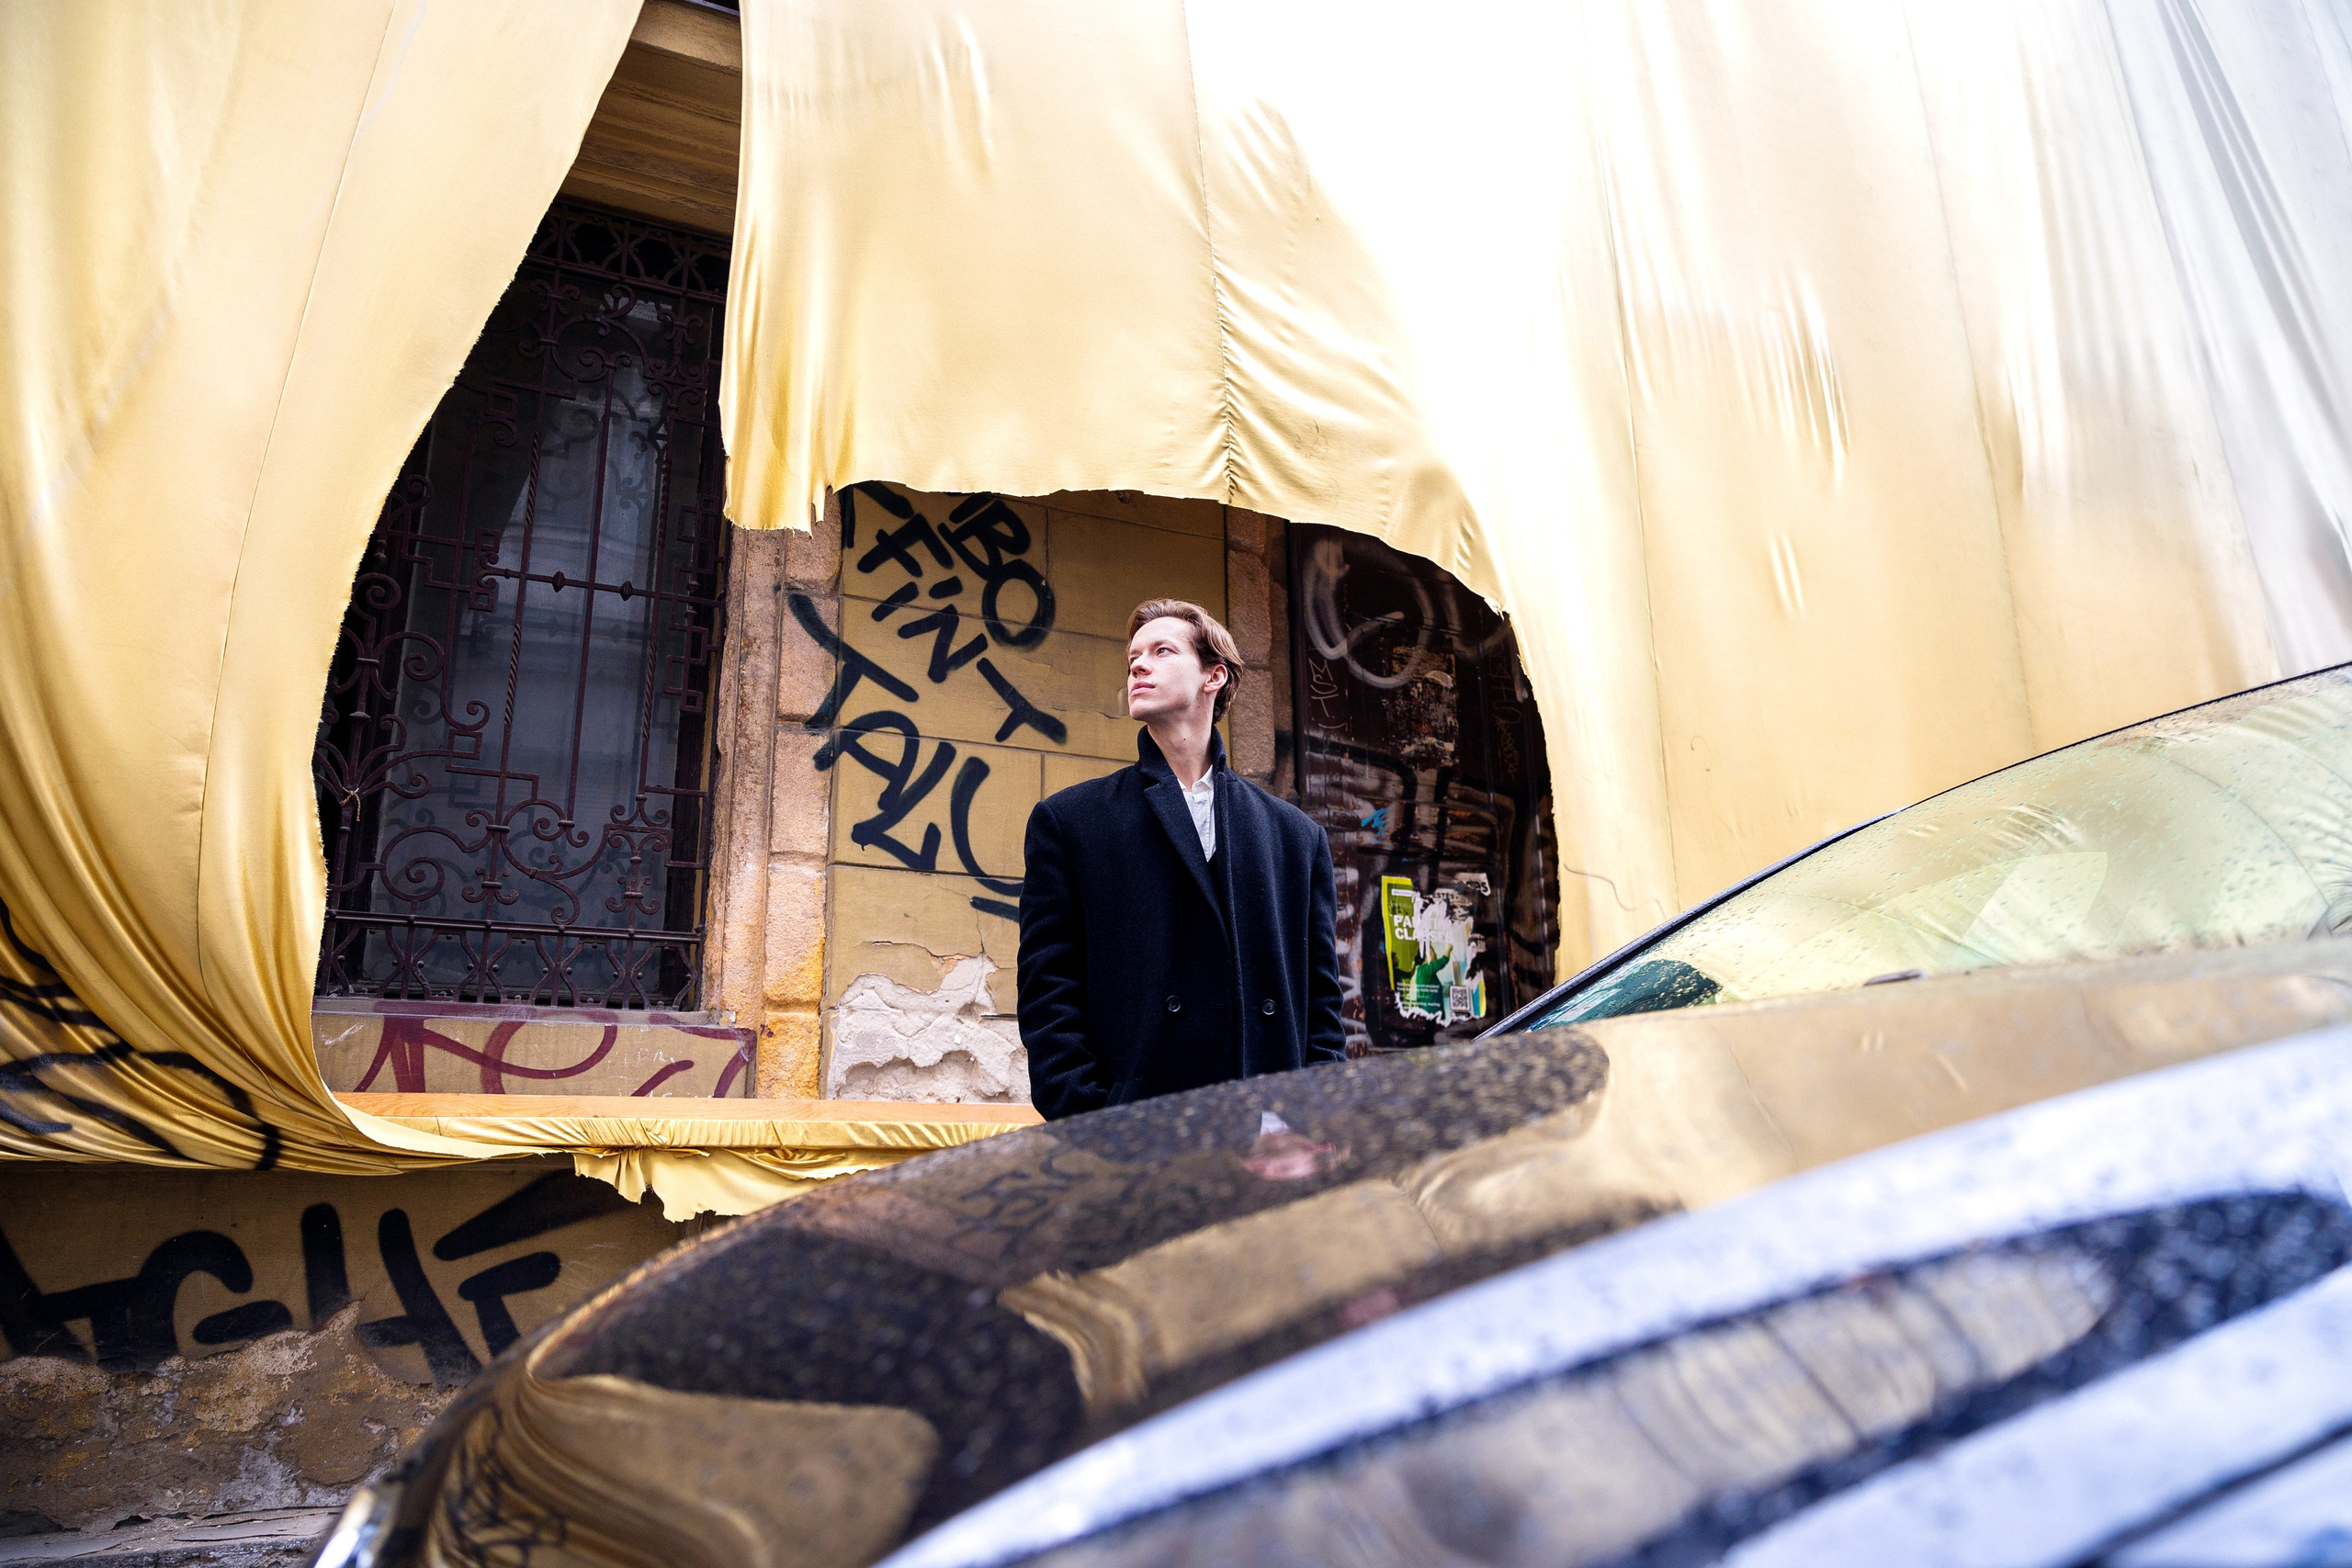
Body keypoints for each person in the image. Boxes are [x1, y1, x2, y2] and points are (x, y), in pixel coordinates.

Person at [1017, 598, 1346, 1120]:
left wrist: (1309, 1116)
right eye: (1133, 659)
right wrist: (1090, 1117)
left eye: (1162, 650)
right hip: (1135, 1138)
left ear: (1213, 676)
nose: (1139, 665)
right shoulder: (1071, 821)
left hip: (1268, 1138)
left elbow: (1322, 1007)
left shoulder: (1295, 837)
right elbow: (1047, 990)